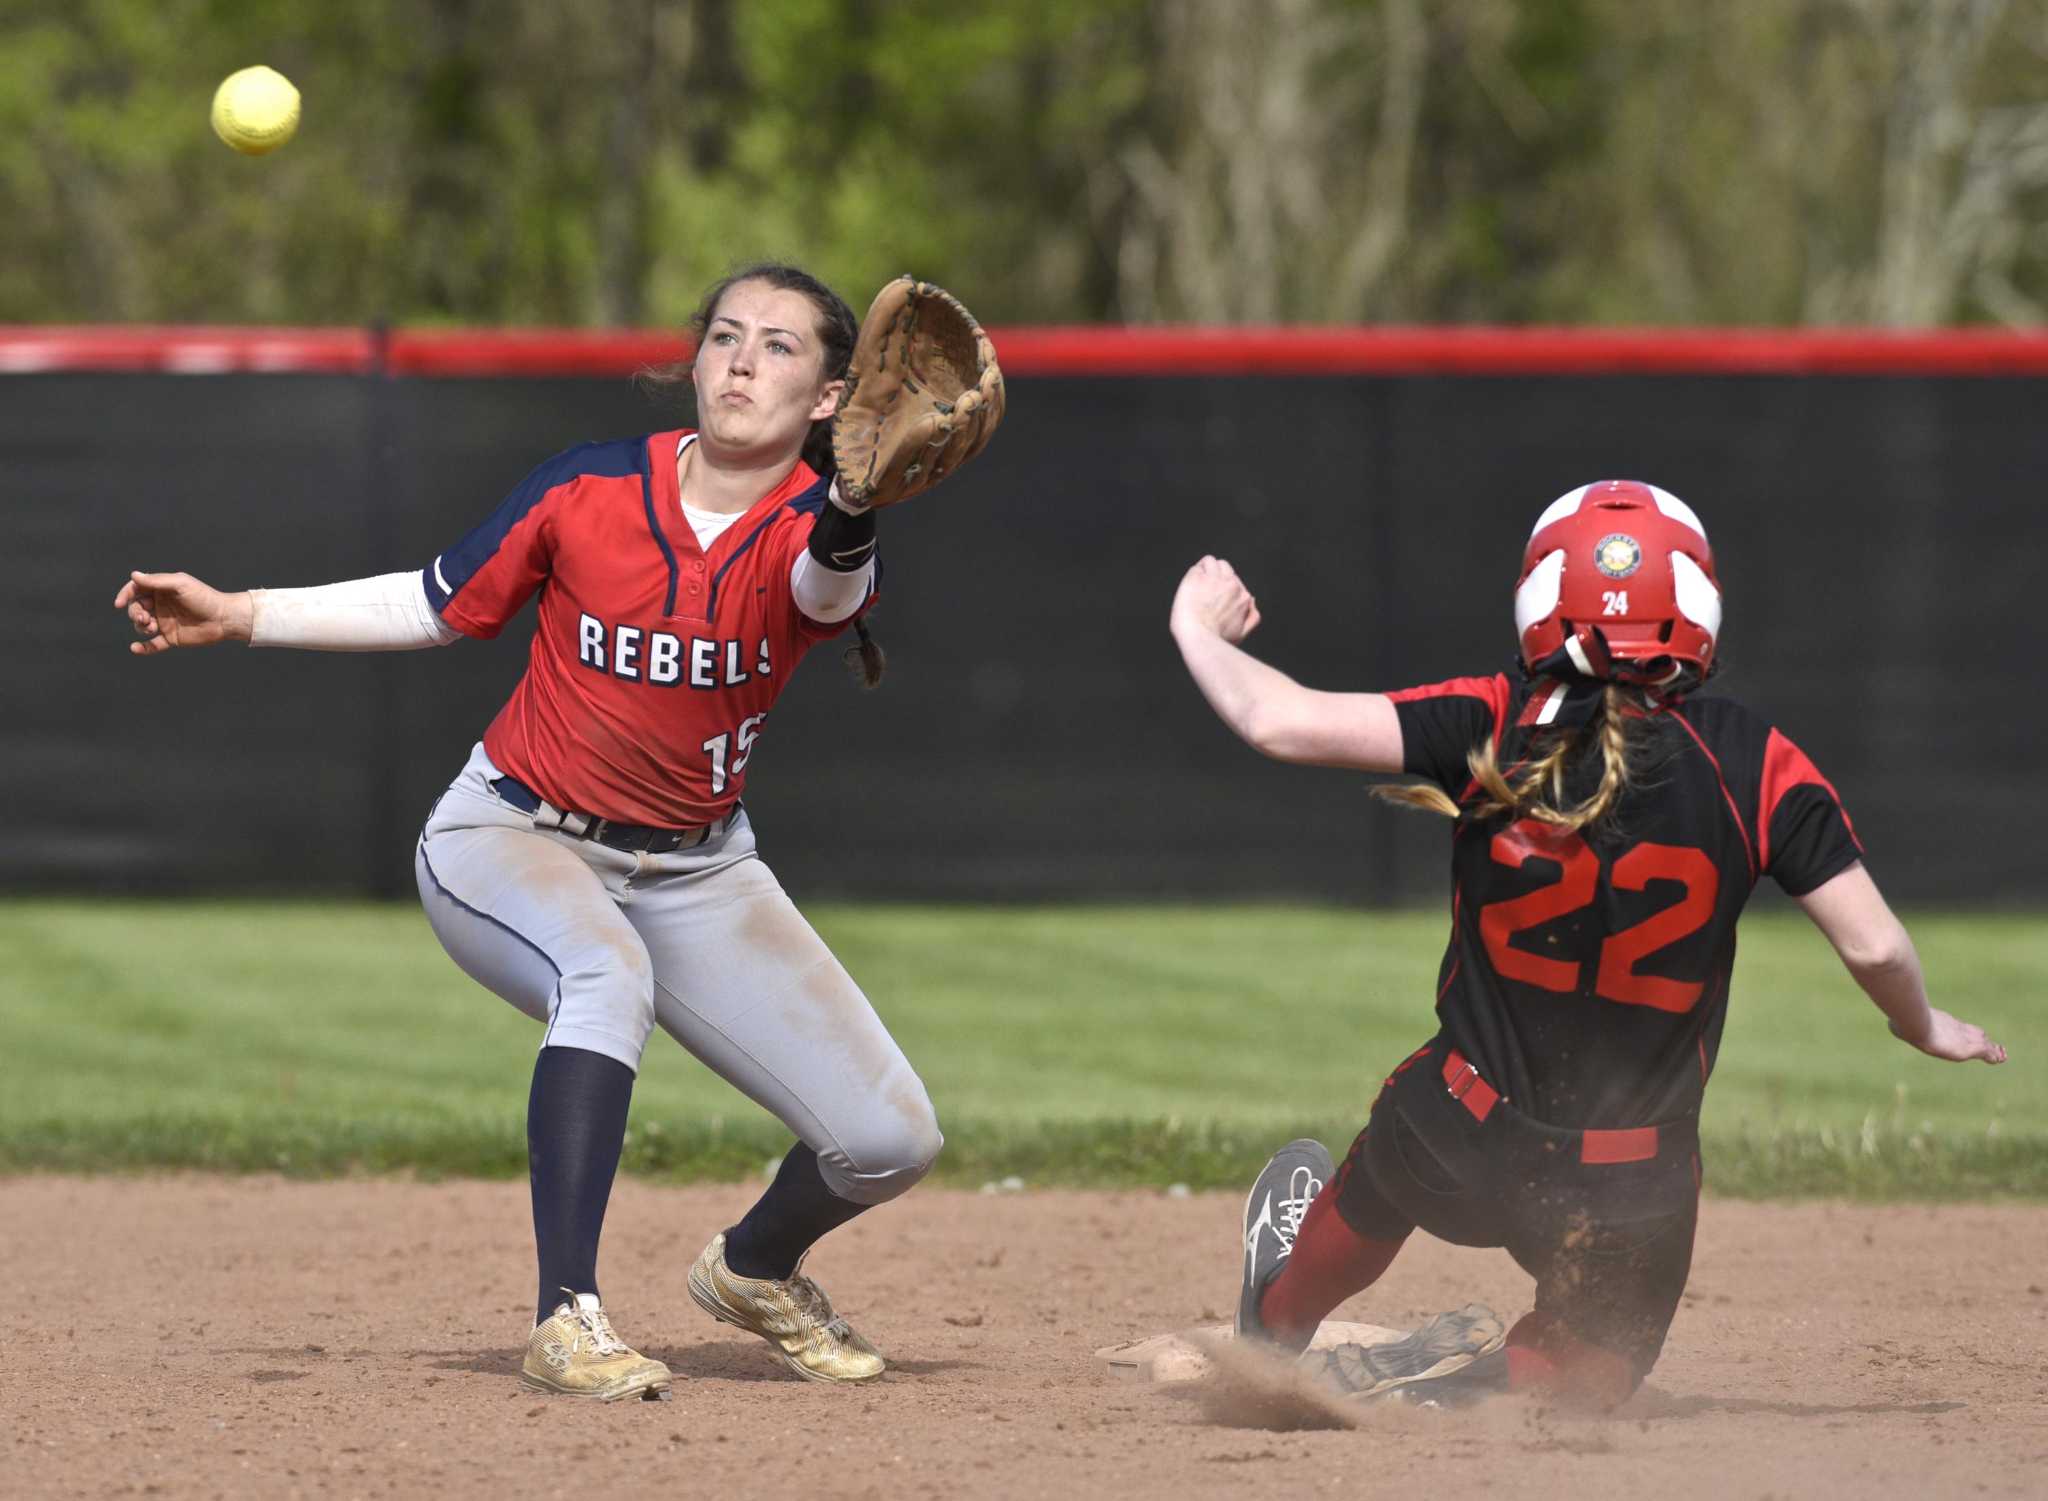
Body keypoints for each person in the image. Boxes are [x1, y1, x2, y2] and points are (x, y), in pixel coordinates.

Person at [113, 262, 944, 1401]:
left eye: (779, 346)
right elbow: (434, 600)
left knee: (890, 1137)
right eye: (725, 336)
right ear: (694, 360)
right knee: (604, 975)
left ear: (826, 402)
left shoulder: (820, 527)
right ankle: (566, 1316)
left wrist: (853, 504)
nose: (741, 359)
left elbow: (824, 588)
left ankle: (752, 1268)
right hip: (511, 835)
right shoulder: (590, 487)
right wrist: (246, 613)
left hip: (699, 868)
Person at [1168, 480, 2008, 1410]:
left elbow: (1275, 719)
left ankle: (1275, 1321)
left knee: (1385, 1174)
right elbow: (1877, 948)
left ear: (1538, 603)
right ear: (1697, 610)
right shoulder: (1754, 760)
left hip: (1462, 1125)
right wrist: (1921, 1022)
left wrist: (1195, 628)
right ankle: (1485, 1393)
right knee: (1589, 1378)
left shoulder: (1495, 718)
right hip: (1631, 1179)